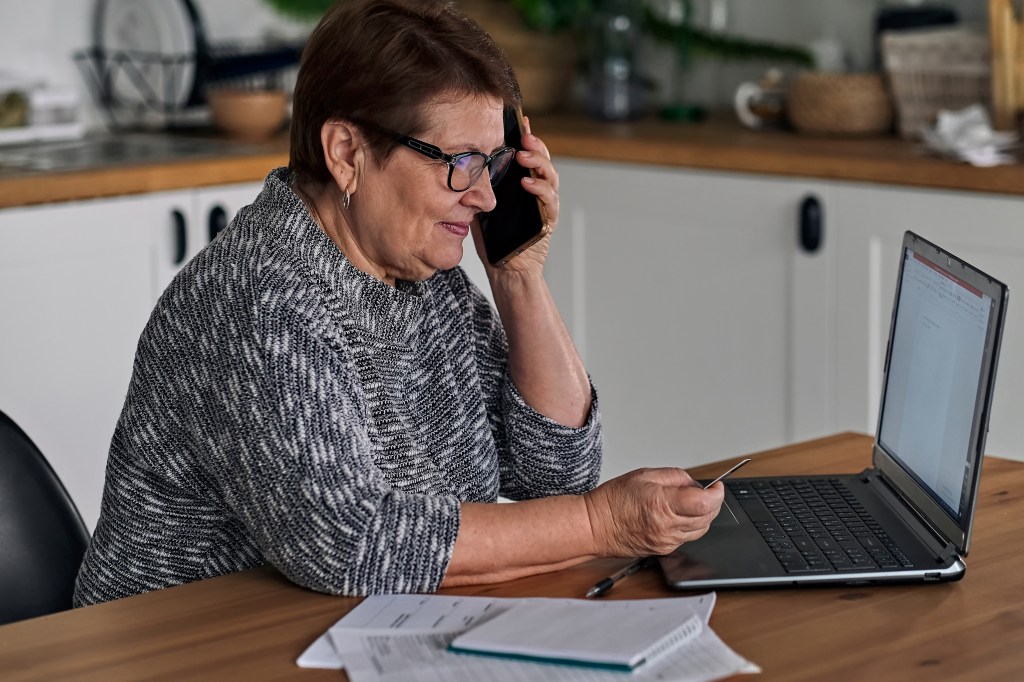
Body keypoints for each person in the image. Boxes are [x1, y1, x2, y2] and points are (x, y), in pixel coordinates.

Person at [73, 0, 723, 606]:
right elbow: (352, 541)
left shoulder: (421, 273)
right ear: (348, 153)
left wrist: (519, 277)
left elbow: (557, 472)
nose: (487, 198)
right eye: (461, 161)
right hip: (174, 649)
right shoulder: (258, 295)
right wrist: (600, 523)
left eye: (494, 165)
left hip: (352, 630)